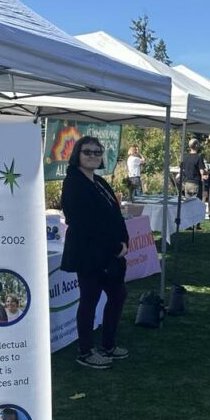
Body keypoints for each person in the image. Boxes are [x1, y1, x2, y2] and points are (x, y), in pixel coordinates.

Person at [61, 135, 130, 369]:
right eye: (87, 152)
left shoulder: (100, 182)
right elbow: (84, 223)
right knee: (89, 300)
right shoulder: (73, 182)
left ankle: (108, 344)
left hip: (109, 254)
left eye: (97, 152)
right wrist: (114, 246)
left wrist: (124, 241)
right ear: (77, 155)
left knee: (118, 295)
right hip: (87, 253)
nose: (93, 156)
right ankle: (85, 351)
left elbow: (115, 214)